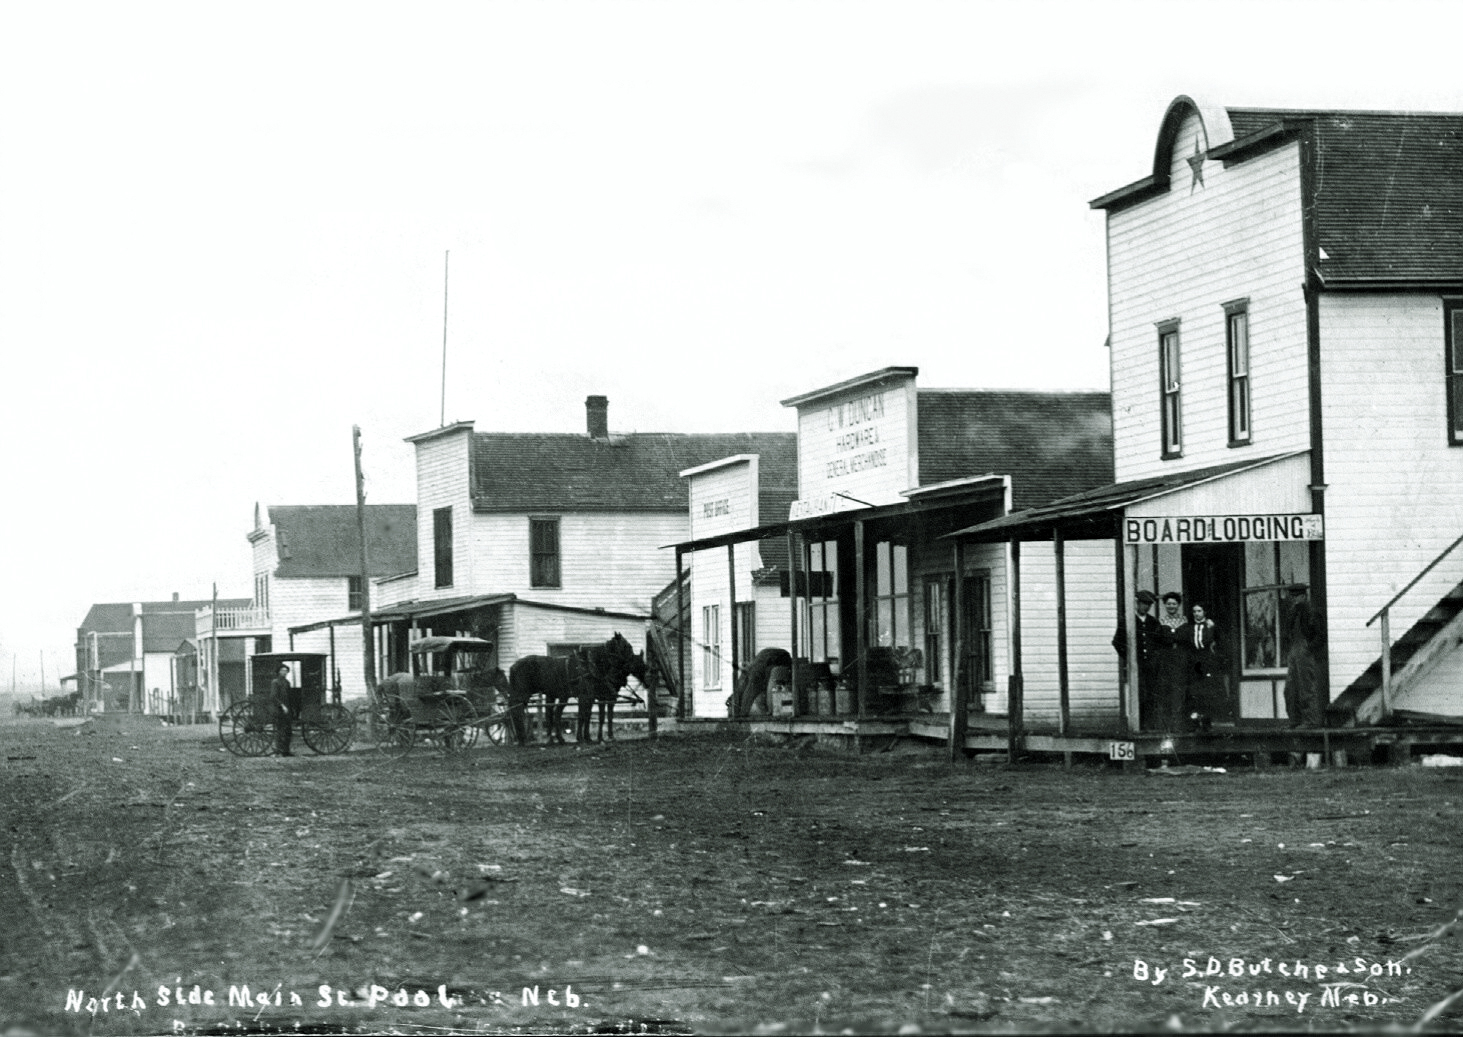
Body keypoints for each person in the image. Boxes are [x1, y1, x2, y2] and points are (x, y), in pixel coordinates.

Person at [1113, 590, 1160, 726]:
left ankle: (1150, 725)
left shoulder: (1153, 622)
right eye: (1144, 604)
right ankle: (1139, 724)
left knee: (1151, 694)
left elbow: (1159, 641)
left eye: (1148, 605)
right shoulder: (1127, 621)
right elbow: (1117, 642)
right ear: (1137, 603)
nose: (1146, 607)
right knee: (1139, 695)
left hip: (1150, 665)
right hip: (1136, 665)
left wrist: (1154, 657)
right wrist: (1128, 658)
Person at [1179, 603, 1223, 731]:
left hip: (1207, 661)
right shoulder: (1189, 628)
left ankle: (1206, 721)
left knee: (1207, 692)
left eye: (1199, 611)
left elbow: (1219, 641)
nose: (1196, 614)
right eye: (1194, 611)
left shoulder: (1210, 626)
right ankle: (1194, 721)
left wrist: (1213, 628)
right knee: (1194, 692)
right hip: (1194, 662)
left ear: (1204, 612)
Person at [1148, 591, 1187, 731]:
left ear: (1178, 605)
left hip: (1181, 658)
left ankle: (1179, 725)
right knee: (1165, 691)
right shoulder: (1160, 622)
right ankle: (1164, 726)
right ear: (1165, 605)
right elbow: (1157, 640)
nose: (1171, 606)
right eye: (1169, 604)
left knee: (1179, 690)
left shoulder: (1185, 621)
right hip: (1165, 659)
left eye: (1174, 604)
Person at [1283, 596, 1323, 727]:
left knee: (1306, 687)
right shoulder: (1292, 613)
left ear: (1303, 596)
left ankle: (1310, 721)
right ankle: (1294, 720)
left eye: (1296, 597)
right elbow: (1288, 633)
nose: (1294, 600)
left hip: (1304, 652)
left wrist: (1309, 648)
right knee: (1290, 689)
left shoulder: (1312, 613)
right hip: (1293, 652)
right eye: (1293, 597)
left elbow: (1321, 635)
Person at [272, 664, 301, 757]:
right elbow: (273, 696)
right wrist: (282, 705)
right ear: (279, 672)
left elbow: (289, 696)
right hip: (279, 710)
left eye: (286, 671)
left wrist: (291, 707)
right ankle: (278, 750)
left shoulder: (287, 682)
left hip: (287, 710)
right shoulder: (275, 682)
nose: (284, 672)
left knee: (288, 730)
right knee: (280, 730)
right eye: (282, 670)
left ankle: (286, 751)